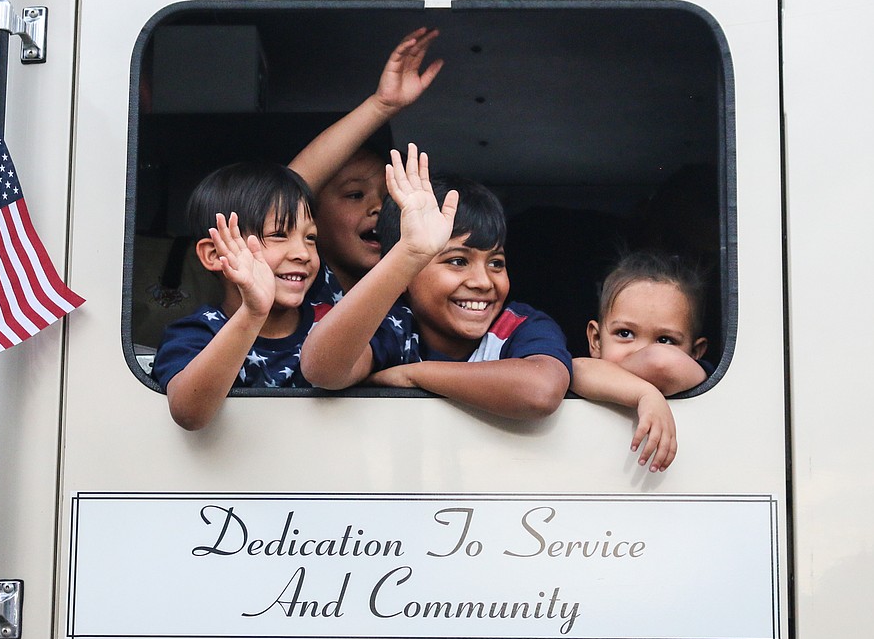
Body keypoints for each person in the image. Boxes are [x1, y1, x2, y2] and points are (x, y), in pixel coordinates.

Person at [300, 144, 572, 420]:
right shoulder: (396, 329)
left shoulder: (519, 326)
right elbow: (322, 370)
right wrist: (410, 253)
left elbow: (540, 391)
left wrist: (413, 375)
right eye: (458, 261)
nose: (483, 282)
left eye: (496, 263)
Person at [151, 162, 320, 430]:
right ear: (215, 255)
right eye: (278, 235)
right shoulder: (196, 333)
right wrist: (253, 313)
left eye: (311, 237)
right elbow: (188, 413)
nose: (303, 253)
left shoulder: (330, 322)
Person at [288, 27, 443, 301]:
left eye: (389, 197)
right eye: (355, 195)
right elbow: (284, 196)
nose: (379, 208)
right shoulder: (298, 284)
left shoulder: (413, 297)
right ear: (310, 216)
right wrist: (381, 106)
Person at [570, 251, 710, 472]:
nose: (642, 349)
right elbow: (574, 369)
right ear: (596, 340)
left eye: (665, 340)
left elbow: (660, 362)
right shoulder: (584, 368)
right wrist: (645, 393)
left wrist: (610, 378)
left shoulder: (695, 372)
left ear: (695, 352)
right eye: (625, 333)